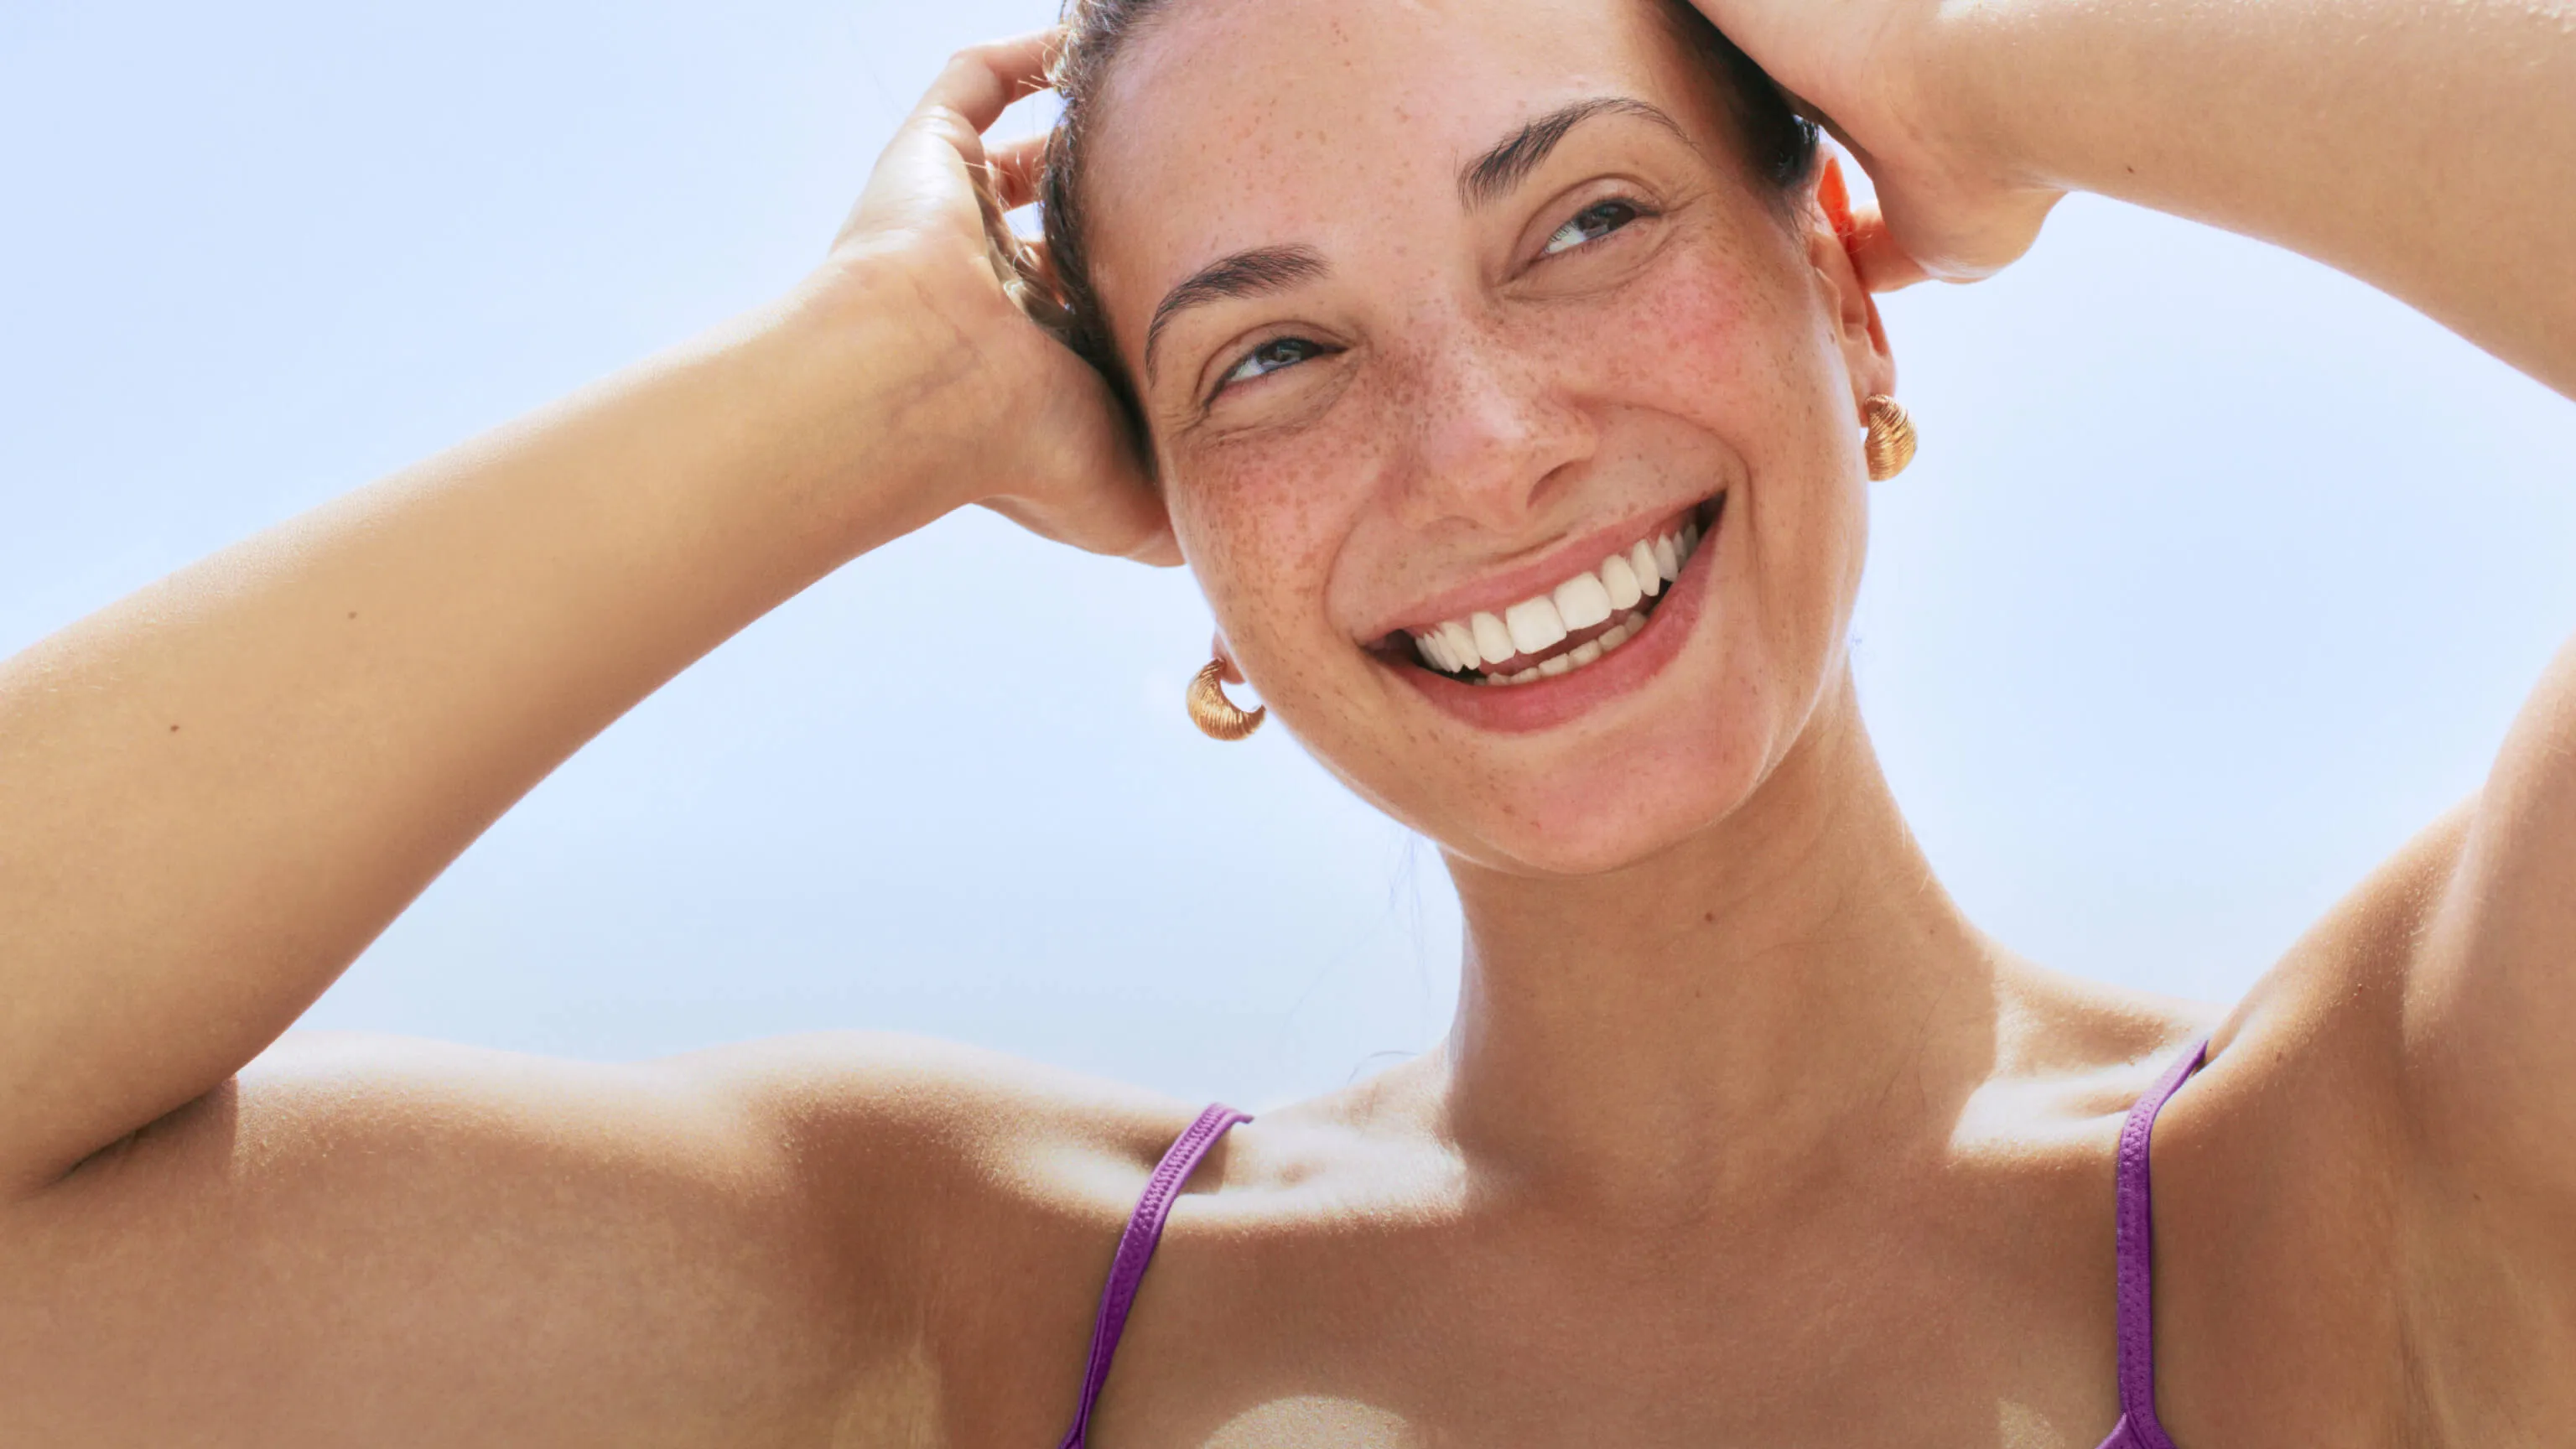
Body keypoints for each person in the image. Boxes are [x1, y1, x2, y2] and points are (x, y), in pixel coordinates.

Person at [3, 0, 2571, 1440]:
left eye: (1586, 219)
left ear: (1851, 295)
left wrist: (1990, 62)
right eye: (1271, 356)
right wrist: (866, 393)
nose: (1480, 451)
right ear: (1173, 530)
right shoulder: (980, 1307)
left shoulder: (2355, 1188)